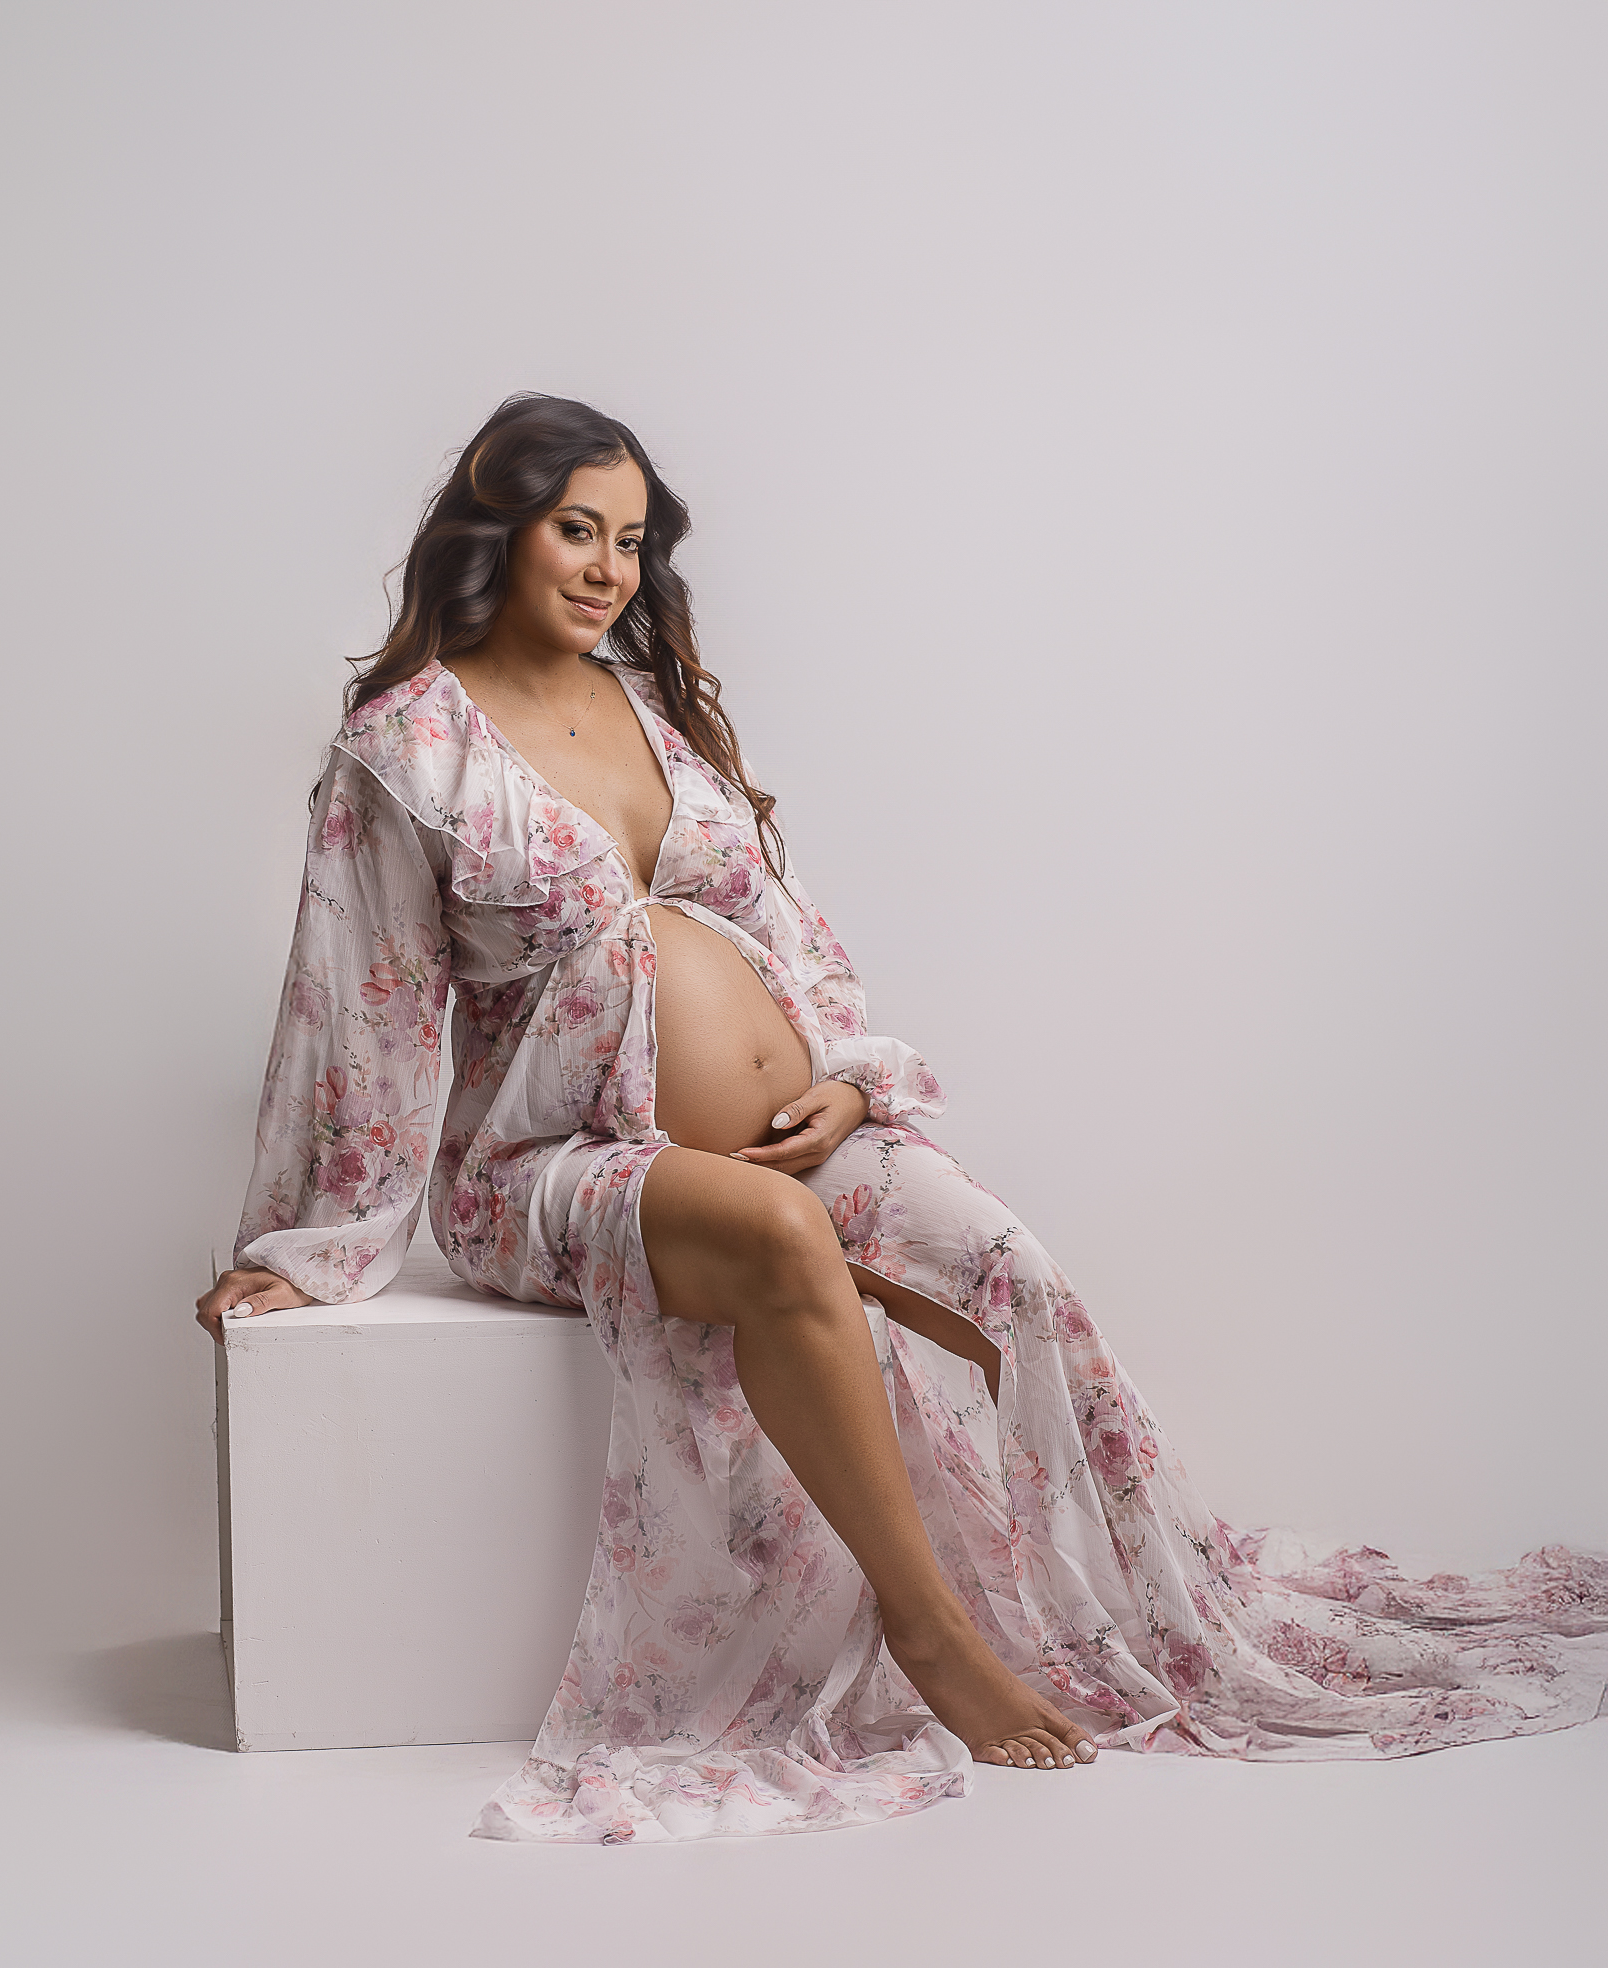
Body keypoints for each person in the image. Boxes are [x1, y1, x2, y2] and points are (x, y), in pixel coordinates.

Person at [197, 394, 1606, 1844]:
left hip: (786, 1124)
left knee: (1002, 1263)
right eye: (577, 530)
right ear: (497, 526)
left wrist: (853, 1079)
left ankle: (1133, 1597)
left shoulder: (649, 711)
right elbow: (355, 1005)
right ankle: (932, 1633)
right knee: (778, 1239)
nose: (609, 568)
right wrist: (306, 1246)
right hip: (553, 1164)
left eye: (630, 540)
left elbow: (783, 929)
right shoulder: (406, 749)